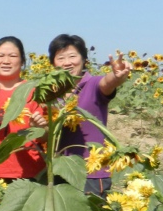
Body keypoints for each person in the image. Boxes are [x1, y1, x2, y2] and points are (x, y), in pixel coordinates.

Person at [49, 34, 132, 196]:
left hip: (92, 172)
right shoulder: (51, 93)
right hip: (60, 170)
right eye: (61, 58)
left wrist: (116, 77)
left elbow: (107, 83)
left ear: (84, 59)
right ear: (53, 63)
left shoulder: (93, 85)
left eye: (72, 56)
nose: (67, 62)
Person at [0, 37, 47, 180]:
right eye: (0, 56)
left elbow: (45, 137)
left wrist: (39, 128)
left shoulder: (34, 90)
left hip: (27, 173)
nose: (6, 61)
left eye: (13, 56)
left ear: (22, 61)